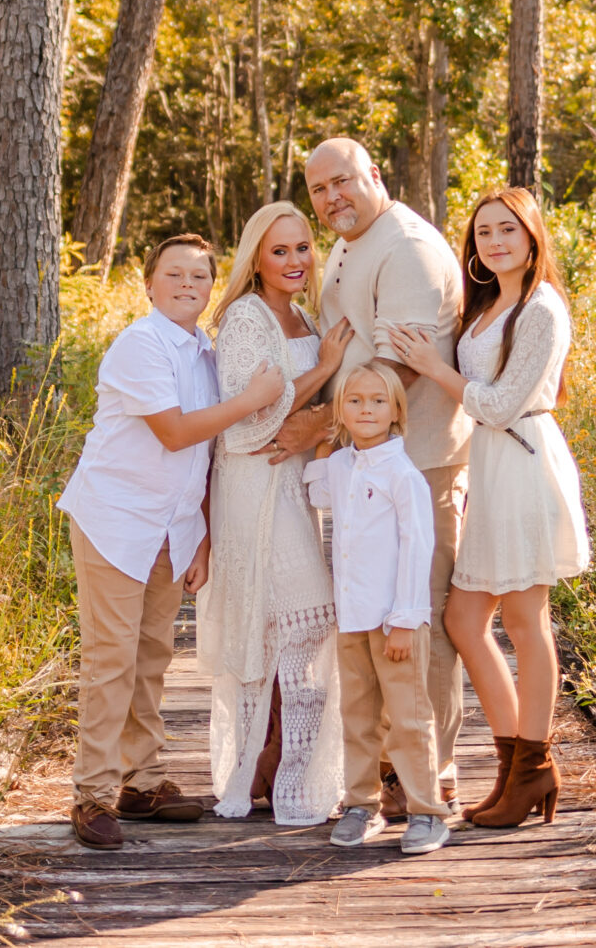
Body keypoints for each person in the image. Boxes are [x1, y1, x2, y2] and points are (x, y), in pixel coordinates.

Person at [56, 233, 285, 851]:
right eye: (175, 274)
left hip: (171, 527)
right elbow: (178, 433)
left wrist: (203, 536)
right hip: (116, 520)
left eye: (200, 277)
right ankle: (93, 793)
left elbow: (207, 459)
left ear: (212, 289)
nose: (188, 285)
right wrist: (251, 401)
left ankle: (142, 780)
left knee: (153, 655)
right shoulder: (140, 345)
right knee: (112, 659)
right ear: (150, 284)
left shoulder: (206, 352)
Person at [270, 138, 468, 810]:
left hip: (419, 463)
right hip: (368, 470)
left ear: (374, 175)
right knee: (376, 618)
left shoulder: (406, 247)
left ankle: (430, 776)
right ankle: (389, 765)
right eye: (319, 188)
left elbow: (396, 370)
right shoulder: (360, 243)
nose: (331, 198)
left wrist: (319, 427)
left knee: (420, 623)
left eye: (343, 181)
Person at [389, 186, 589, 831]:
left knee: (527, 620)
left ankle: (532, 765)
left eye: (507, 230)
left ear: (532, 237)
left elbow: (501, 404)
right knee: (463, 618)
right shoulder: (487, 305)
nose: (495, 242)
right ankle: (515, 763)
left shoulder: (541, 308)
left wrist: (432, 366)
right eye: (483, 234)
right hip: (491, 467)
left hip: (524, 457)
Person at [203, 202, 355, 824]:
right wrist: (322, 369)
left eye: (302, 248)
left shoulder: (305, 315)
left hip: (292, 480)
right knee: (283, 620)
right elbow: (243, 423)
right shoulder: (245, 317)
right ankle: (259, 766)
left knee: (300, 622)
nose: (294, 261)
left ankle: (287, 771)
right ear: (256, 260)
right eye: (280, 251)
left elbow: (304, 417)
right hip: (252, 483)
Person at [305, 362, 449, 855]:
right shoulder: (344, 464)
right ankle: (361, 805)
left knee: (408, 718)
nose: (366, 409)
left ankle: (428, 811)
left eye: (378, 401)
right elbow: (319, 493)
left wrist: (406, 620)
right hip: (353, 615)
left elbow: (416, 550)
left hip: (395, 620)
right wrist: (324, 450)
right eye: (355, 401)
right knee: (357, 714)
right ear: (341, 410)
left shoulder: (402, 475)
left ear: (396, 411)